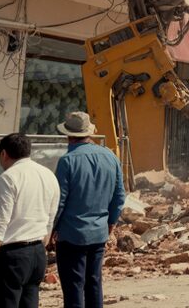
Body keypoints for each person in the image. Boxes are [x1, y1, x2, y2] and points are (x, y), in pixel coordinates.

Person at [0, 133, 60, 308]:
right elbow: (50, 219)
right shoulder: (48, 175)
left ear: (3, 154)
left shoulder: (8, 178)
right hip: (37, 253)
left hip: (11, 256)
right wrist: (38, 249)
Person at [53, 112, 125, 308]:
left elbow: (59, 201)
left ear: (68, 135)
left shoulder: (67, 161)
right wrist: (111, 223)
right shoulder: (110, 156)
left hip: (71, 234)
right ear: (90, 132)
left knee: (74, 286)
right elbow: (119, 196)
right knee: (94, 283)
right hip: (99, 232)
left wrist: (51, 229)